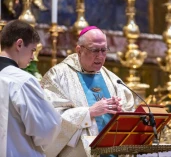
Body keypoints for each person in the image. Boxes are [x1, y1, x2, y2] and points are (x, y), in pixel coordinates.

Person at [41, 26, 135, 157]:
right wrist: (89, 112)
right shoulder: (58, 75)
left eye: (104, 50)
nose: (100, 56)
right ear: (79, 50)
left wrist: (121, 113)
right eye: (94, 50)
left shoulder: (112, 79)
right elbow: (48, 117)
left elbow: (130, 113)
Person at [0, 20, 62, 157]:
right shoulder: (22, 81)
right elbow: (47, 128)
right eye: (32, 50)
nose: (33, 57)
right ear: (19, 44)